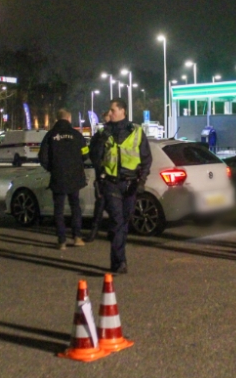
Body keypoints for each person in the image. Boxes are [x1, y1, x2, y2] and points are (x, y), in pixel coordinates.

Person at [89, 99, 152, 275]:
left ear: (122, 111)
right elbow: (94, 156)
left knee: (124, 222)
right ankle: (119, 262)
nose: (110, 113)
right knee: (117, 222)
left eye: (112, 110)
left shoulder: (137, 131)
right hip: (111, 183)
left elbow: (146, 159)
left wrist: (142, 181)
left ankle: (117, 254)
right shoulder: (104, 132)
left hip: (131, 184)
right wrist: (101, 137)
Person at [39, 109, 89, 250]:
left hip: (58, 177)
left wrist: (52, 168)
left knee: (59, 209)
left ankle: (62, 241)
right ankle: (77, 237)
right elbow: (85, 155)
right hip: (75, 177)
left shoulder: (50, 135)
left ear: (57, 119)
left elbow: (42, 157)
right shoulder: (77, 135)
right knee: (75, 207)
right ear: (68, 118)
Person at [85, 111, 112, 242]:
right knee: (107, 204)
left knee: (101, 204)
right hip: (109, 175)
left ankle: (95, 232)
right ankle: (110, 232)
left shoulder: (101, 135)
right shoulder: (118, 133)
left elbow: (93, 154)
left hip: (103, 174)